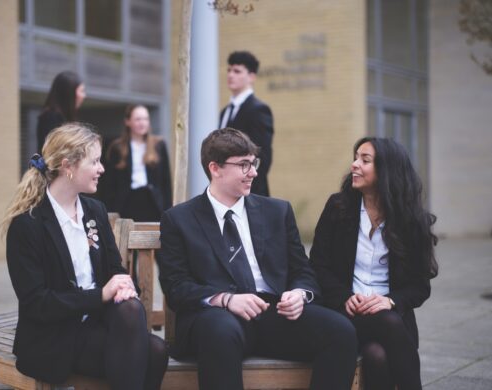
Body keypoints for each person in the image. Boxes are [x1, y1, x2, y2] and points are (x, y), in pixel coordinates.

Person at [157, 128, 358, 390]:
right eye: (243, 165)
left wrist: (299, 294)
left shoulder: (277, 211)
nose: (253, 172)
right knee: (220, 331)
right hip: (216, 316)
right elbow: (176, 286)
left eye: (254, 163)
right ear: (215, 168)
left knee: (340, 331)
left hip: (273, 313)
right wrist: (227, 300)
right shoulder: (179, 219)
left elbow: (303, 269)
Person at [1, 123, 168, 388]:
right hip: (54, 335)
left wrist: (123, 285)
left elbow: (115, 267)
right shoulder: (27, 225)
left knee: (137, 318)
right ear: (68, 167)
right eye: (95, 161)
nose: (102, 169)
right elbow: (37, 303)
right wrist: (101, 294)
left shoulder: (94, 210)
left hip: (97, 322)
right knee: (153, 352)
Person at [310, 137, 439, 390]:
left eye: (364, 160)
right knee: (388, 323)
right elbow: (317, 265)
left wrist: (389, 300)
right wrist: (344, 297)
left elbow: (420, 287)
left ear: (387, 170)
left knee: (376, 355)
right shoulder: (338, 208)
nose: (354, 165)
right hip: (344, 316)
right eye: (356, 157)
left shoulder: (411, 221)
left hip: (389, 319)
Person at [98, 104, 172, 222]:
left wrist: (168, 210)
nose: (142, 123)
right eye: (138, 119)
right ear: (128, 121)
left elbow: (166, 182)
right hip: (126, 202)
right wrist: (108, 210)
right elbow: (108, 183)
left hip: (152, 202)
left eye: (145, 119)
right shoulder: (116, 147)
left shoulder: (159, 145)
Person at [219, 51, 273, 196]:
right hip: (226, 191)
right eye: (229, 70)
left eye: (237, 71)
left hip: (249, 194)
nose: (230, 75)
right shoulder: (225, 112)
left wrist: (248, 194)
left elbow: (262, 157)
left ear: (251, 77)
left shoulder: (259, 110)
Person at [37, 71, 86, 152]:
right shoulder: (50, 117)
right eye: (81, 91)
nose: (84, 95)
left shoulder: (63, 118)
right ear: (69, 92)